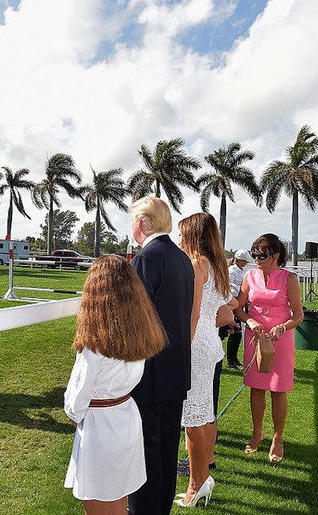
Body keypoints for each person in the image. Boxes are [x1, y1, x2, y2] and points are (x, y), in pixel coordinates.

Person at [64, 255, 167, 515]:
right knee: (119, 501)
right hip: (127, 417)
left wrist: (74, 414)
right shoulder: (141, 331)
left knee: (97, 504)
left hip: (100, 426)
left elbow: (77, 397)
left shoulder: (94, 344)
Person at [126, 196, 194, 515]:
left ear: (142, 223)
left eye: (132, 220)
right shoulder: (182, 259)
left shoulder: (146, 259)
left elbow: (135, 320)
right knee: (166, 452)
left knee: (145, 455)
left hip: (149, 373)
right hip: (175, 371)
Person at [175, 213, 237, 508]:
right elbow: (228, 305)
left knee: (192, 420)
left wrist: (182, 347)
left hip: (196, 344)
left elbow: (193, 311)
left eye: (182, 234)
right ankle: (200, 479)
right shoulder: (218, 265)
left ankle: (196, 483)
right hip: (211, 342)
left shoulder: (198, 263)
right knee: (204, 414)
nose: (179, 240)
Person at [233, 233, 304, 464]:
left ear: (275, 255)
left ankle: (278, 437)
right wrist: (250, 321)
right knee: (256, 387)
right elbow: (238, 308)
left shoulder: (289, 279)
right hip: (255, 338)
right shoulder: (249, 276)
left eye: (261, 255)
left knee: (278, 389)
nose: (256, 259)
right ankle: (257, 432)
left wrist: (282, 328)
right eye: (254, 254)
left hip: (280, 340)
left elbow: (298, 316)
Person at [221, 249, 253, 370]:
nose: (246, 263)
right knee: (233, 332)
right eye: (244, 261)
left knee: (238, 333)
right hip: (232, 303)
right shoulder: (231, 271)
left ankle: (234, 358)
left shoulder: (243, 271)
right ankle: (230, 360)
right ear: (240, 260)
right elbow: (229, 287)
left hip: (240, 303)